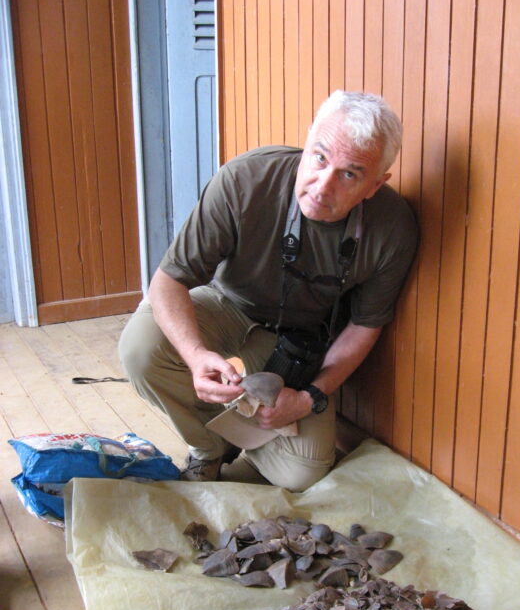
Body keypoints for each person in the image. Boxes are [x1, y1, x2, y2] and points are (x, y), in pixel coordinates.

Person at [119, 90, 418, 491]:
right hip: (226, 304)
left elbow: (364, 326)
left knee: (302, 472)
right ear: (308, 138)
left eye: (350, 174)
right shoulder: (244, 178)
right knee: (141, 349)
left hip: (298, 341)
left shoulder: (394, 228)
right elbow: (168, 280)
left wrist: (310, 397)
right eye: (320, 157)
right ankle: (209, 448)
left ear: (375, 185)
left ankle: (238, 424)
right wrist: (195, 355)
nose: (322, 186)